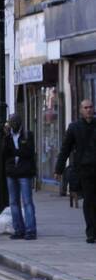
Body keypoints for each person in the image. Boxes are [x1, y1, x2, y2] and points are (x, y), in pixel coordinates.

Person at [55, 99, 96, 243]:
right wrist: (58, 169)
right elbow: (65, 149)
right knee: (89, 200)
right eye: (86, 107)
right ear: (80, 110)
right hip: (84, 169)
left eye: (91, 107)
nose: (89, 110)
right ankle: (91, 232)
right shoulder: (74, 127)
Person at [3, 113, 37, 239]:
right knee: (13, 202)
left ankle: (30, 230)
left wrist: (15, 151)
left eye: (15, 122)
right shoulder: (8, 136)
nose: (13, 125)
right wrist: (6, 137)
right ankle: (18, 230)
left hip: (24, 173)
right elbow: (4, 153)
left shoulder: (28, 135)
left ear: (20, 122)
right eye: (11, 123)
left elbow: (28, 152)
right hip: (12, 172)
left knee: (27, 202)